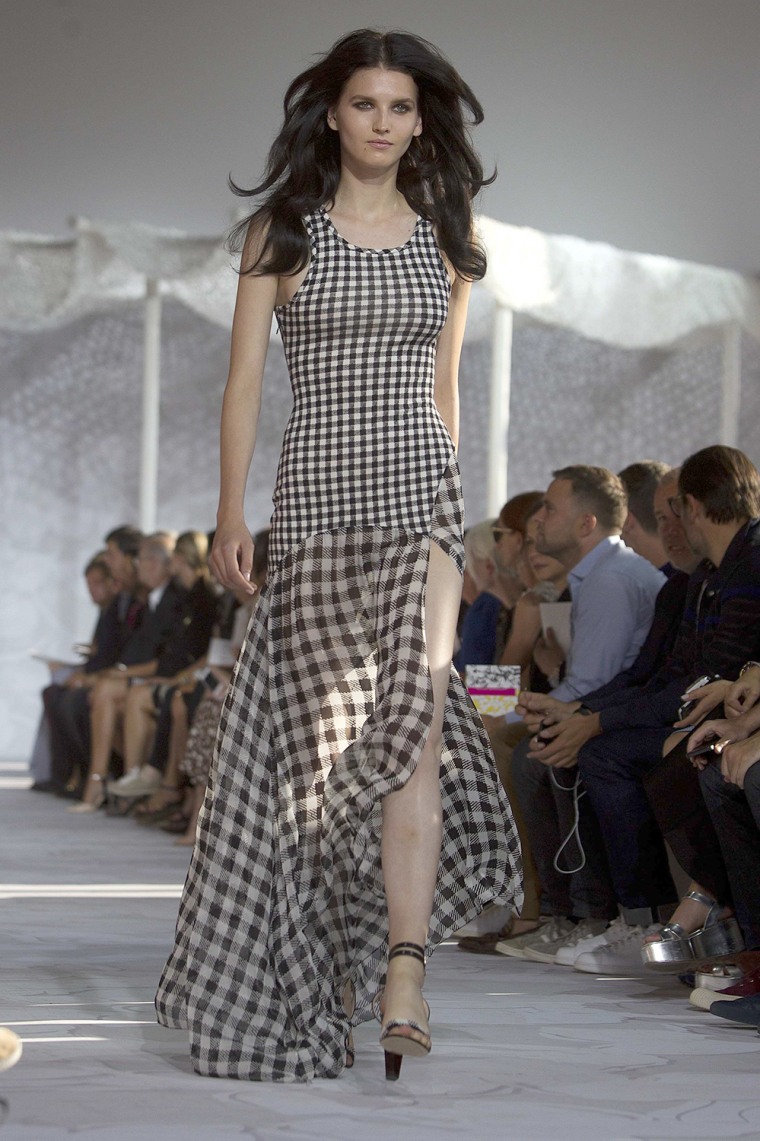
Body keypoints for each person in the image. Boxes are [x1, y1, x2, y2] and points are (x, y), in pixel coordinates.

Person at [155, 28, 521, 1083]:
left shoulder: (448, 232)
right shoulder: (283, 231)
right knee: (310, 762)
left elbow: (446, 389)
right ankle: (314, 965)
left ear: (420, 120)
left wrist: (456, 520)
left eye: (400, 108)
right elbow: (242, 386)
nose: (382, 123)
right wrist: (231, 511)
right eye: (364, 104)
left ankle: (405, 971)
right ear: (331, 113)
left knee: (413, 716)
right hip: (312, 506)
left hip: (420, 505)